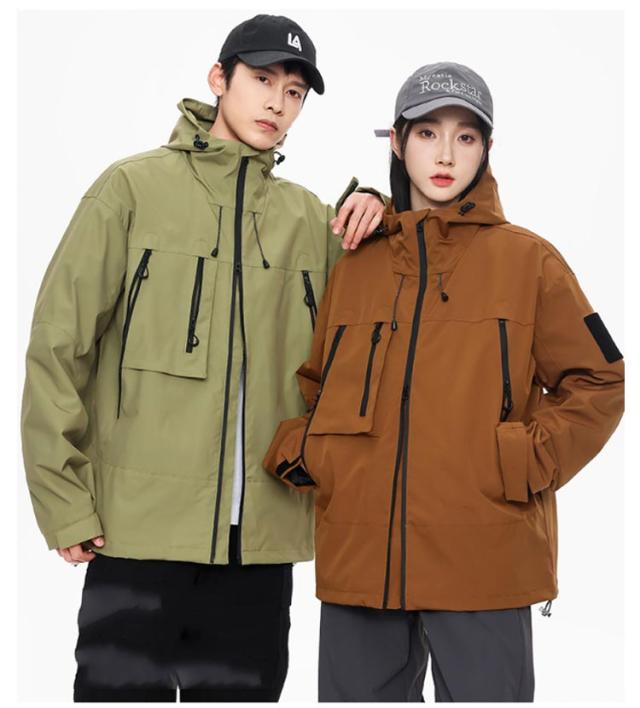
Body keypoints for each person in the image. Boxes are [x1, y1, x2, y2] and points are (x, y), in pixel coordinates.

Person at [20, 14, 386, 702]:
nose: (278, 103)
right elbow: (58, 347)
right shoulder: (131, 190)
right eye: (263, 80)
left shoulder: (311, 221)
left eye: (296, 92)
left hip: (260, 552)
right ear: (219, 78)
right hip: (135, 536)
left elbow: (390, 305)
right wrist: (63, 500)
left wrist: (378, 204)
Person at [263, 61, 624, 702]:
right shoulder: (356, 264)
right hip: (361, 561)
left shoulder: (530, 262)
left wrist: (522, 460)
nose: (446, 155)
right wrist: (317, 452)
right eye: (428, 133)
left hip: (485, 559)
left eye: (466, 136)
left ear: (486, 149)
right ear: (397, 143)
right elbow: (317, 382)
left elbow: (599, 381)